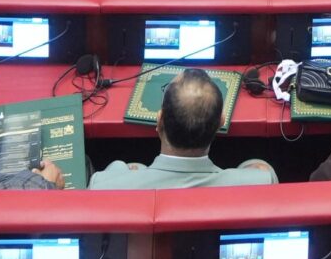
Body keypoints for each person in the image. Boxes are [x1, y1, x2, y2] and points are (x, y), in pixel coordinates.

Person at [92, 69, 274, 187]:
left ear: (159, 121)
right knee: (259, 165)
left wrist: (120, 169)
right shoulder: (261, 182)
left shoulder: (103, 185)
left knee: (128, 167)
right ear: (220, 123)